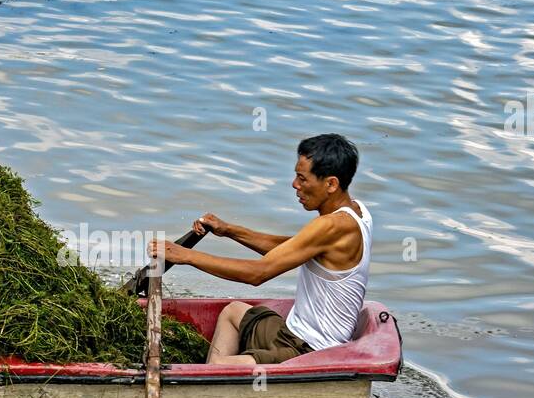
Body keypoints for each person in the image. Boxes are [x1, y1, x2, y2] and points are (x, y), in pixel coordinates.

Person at [148, 133, 372, 366]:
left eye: (302, 178)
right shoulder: (358, 211)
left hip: (312, 352)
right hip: (292, 333)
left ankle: (214, 378)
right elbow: (290, 248)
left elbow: (258, 274)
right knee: (232, 312)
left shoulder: (333, 226)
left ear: (331, 184)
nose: (294, 185)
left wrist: (187, 256)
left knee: (218, 368)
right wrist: (229, 230)